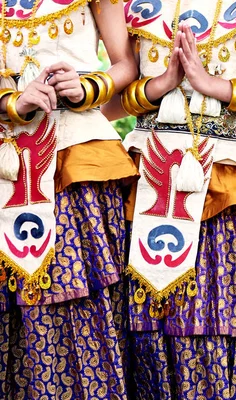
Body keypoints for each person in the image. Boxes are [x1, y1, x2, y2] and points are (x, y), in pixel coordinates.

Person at [106, 0, 236, 398]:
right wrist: (162, 84)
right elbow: (110, 106)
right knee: (146, 322)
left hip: (229, 181)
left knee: (223, 315)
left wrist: (217, 87)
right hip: (150, 180)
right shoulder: (133, 7)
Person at [0, 0, 138, 398]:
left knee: (84, 301)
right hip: (8, 157)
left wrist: (87, 86)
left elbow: (126, 63)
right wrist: (13, 102)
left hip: (77, 155)